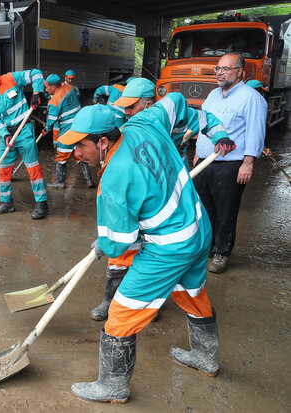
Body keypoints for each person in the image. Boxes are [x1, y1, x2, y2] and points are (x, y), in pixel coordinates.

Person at [60, 104, 220, 404]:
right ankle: (205, 357)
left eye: (82, 145)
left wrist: (103, 245)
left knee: (121, 313)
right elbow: (176, 102)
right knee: (191, 292)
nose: (77, 154)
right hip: (198, 228)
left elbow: (121, 242)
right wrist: (215, 129)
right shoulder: (143, 122)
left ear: (103, 141)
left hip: (169, 247)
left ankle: (113, 386)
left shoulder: (116, 177)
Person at [89, 80, 233, 322]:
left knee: (157, 247)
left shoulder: (163, 115)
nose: (126, 112)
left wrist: (220, 135)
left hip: (167, 180)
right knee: (126, 247)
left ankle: (147, 301)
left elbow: (204, 118)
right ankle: (109, 299)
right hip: (142, 182)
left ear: (148, 104)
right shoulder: (134, 124)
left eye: (131, 107)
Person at [193, 52, 267, 273]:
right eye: (218, 69)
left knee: (226, 210)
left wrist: (248, 163)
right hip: (204, 162)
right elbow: (203, 124)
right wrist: (197, 153)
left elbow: (256, 132)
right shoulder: (213, 96)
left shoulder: (251, 98)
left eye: (225, 69)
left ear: (240, 72)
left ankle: (222, 253)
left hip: (231, 164)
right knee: (204, 209)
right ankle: (207, 247)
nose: (219, 73)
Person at [0, 60, 48, 219]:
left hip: (24, 129)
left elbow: (36, 73)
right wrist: (4, 135)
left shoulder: (10, 79)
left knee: (32, 167)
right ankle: (7, 203)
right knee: (3, 169)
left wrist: (37, 93)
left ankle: (42, 203)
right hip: (8, 135)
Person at [42, 74, 93, 188]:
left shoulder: (55, 100)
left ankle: (60, 182)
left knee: (61, 154)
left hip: (68, 128)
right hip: (79, 125)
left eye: (47, 87)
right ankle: (89, 180)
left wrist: (46, 129)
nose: (46, 90)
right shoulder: (70, 88)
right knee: (79, 153)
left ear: (53, 87)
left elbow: (52, 119)